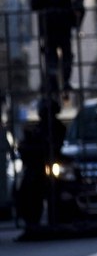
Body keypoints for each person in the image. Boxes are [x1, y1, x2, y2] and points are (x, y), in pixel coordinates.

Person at [29, 0, 85, 97]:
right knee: (50, 55)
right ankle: (53, 84)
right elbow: (35, 0)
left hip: (64, 21)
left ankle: (65, 82)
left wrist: (77, 17)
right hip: (49, 22)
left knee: (66, 53)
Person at [16, 97, 66, 230]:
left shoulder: (58, 127)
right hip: (38, 166)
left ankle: (55, 219)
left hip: (53, 165)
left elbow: (59, 146)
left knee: (57, 190)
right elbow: (28, 146)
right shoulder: (38, 128)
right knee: (28, 190)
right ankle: (32, 220)